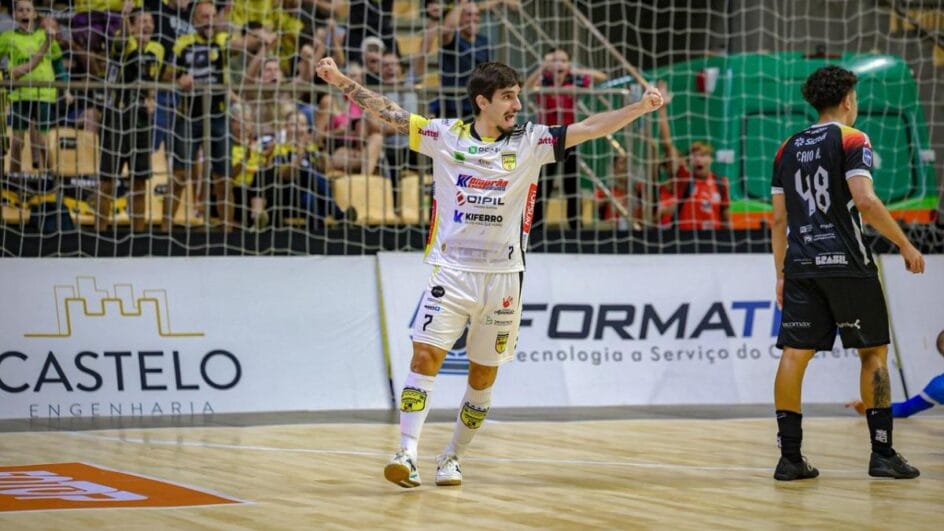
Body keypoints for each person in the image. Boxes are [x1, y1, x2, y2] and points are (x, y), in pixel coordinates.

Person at [316, 56, 663, 488]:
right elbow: (389, 112)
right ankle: (405, 454)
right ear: (483, 101)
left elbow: (591, 127)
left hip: (503, 278)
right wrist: (339, 79)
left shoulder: (532, 140)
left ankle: (452, 457)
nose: (517, 104)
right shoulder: (444, 136)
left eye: (517, 95)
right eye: (507, 97)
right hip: (451, 272)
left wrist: (639, 108)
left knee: (482, 376)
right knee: (425, 357)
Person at [770, 65, 926, 481]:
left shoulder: (785, 147)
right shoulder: (853, 138)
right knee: (873, 352)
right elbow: (867, 201)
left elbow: (778, 221)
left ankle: (789, 459)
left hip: (801, 264)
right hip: (847, 262)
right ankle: (883, 453)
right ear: (847, 100)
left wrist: (782, 273)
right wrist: (905, 244)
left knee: (793, 355)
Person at [165, 1, 239, 231]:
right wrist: (178, 78)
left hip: (218, 116)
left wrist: (262, 39)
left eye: (211, 16)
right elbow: (165, 74)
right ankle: (165, 231)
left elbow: (246, 43)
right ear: (195, 20)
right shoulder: (183, 43)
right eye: (203, 17)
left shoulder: (223, 41)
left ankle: (227, 233)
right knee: (179, 174)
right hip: (189, 116)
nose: (208, 20)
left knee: (223, 178)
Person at [97, 1, 164, 232]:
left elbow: (152, 79)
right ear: (133, 26)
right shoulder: (124, 41)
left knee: (139, 180)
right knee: (107, 179)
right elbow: (121, 43)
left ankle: (139, 233)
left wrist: (152, 97)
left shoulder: (158, 49)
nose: (147, 25)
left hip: (141, 119)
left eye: (150, 21)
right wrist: (124, 16)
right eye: (142, 21)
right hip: (116, 116)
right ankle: (100, 231)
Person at [525, 46, 606, 229]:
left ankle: (574, 225)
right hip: (546, 137)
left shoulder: (574, 79)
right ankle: (536, 226)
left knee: (571, 183)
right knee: (544, 183)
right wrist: (542, 67)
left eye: (562, 60)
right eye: (553, 60)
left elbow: (601, 77)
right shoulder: (542, 80)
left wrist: (573, 69)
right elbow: (526, 87)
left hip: (570, 135)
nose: (558, 64)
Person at [0, 0, 65, 176]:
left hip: (43, 94)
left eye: (28, 10)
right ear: (14, 15)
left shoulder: (44, 36)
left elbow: (58, 63)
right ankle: (14, 179)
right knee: (18, 141)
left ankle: (53, 178)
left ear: (35, 14)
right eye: (20, 10)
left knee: (43, 140)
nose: (24, 13)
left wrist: (65, 89)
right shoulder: (7, 37)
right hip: (20, 94)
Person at [655, 80, 730, 230]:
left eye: (702, 155)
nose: (698, 159)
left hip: (715, 245)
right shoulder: (684, 178)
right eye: (694, 156)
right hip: (686, 244)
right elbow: (668, 145)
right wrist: (662, 109)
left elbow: (726, 219)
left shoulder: (721, 183)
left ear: (711, 159)